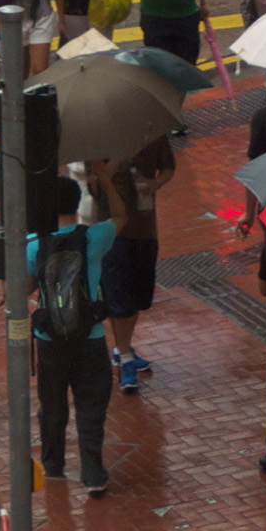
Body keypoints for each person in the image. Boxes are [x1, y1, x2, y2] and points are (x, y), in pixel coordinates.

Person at [31, 170, 121, 494]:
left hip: (50, 340)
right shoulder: (94, 238)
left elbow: (29, 286)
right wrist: (105, 178)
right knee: (91, 406)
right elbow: (122, 216)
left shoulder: (35, 245)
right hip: (90, 336)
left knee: (52, 406)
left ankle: (53, 466)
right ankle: (93, 473)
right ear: (76, 202)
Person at [102, 134, 175, 391]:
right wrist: (115, 162)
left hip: (145, 228)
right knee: (118, 294)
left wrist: (156, 183)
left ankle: (123, 347)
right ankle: (125, 358)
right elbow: (91, 184)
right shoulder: (100, 137)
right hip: (114, 230)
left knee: (138, 295)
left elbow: (168, 167)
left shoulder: (153, 131)